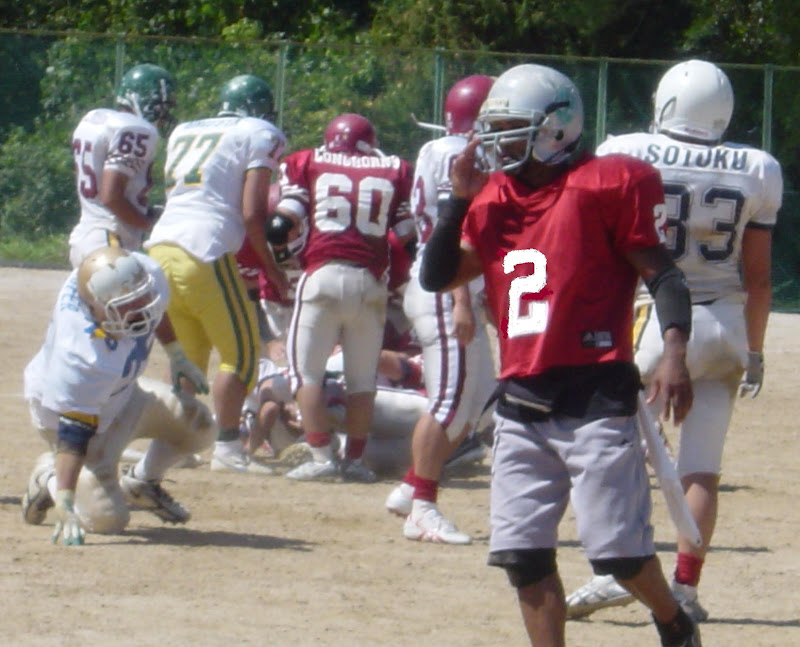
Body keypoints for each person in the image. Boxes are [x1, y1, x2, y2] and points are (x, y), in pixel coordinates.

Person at [420, 63, 702, 647]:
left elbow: (664, 276)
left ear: (557, 128)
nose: (499, 144)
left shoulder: (607, 182)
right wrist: (456, 202)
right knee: (522, 556)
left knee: (619, 556)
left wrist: (674, 352)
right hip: (521, 394)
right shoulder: (493, 198)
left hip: (595, 388)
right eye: (496, 131)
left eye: (511, 131)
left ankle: (673, 621)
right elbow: (437, 276)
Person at [565, 59, 783, 624]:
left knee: (615, 457)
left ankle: (615, 571)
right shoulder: (758, 167)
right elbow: (759, 278)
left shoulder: (628, 150)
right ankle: (684, 588)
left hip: (653, 322)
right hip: (725, 325)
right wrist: (755, 352)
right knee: (701, 469)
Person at [145, 74, 288, 476]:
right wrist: (272, 269)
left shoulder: (184, 131)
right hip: (205, 249)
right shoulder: (259, 131)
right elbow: (252, 213)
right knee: (242, 356)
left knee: (187, 357)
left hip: (161, 246)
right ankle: (226, 447)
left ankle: (173, 446)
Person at [21, 247, 213, 546]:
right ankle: (48, 477)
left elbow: (153, 308)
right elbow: (74, 434)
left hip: (122, 393)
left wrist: (176, 353)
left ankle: (142, 481)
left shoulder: (139, 275)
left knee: (200, 426)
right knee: (107, 520)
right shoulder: (82, 355)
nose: (140, 308)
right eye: (127, 305)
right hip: (70, 420)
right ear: (96, 308)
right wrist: (66, 499)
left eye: (141, 297)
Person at [383, 74, 497, 545]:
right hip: (447, 293)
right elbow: (452, 231)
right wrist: (462, 300)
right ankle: (423, 509)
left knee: (478, 405)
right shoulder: (461, 155)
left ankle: (412, 487)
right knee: (449, 404)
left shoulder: (439, 150)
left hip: (451, 288)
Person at [276, 113, 415, 482]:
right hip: (370, 283)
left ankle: (322, 456)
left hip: (322, 275)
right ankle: (355, 461)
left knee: (305, 373)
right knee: (362, 380)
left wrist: (278, 250)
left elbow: (284, 219)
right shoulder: (395, 168)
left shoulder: (309, 160)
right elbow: (407, 234)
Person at [68, 63, 177, 268]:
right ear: (145, 101)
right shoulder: (136, 129)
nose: (165, 115)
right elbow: (111, 197)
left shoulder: (95, 119)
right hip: (110, 241)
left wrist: (145, 211)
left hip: (87, 237)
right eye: (162, 107)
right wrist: (150, 225)